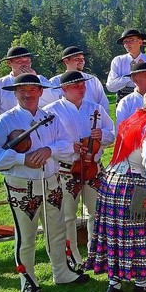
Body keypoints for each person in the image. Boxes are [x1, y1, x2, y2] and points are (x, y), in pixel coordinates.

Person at [0, 73, 89, 292]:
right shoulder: (4, 121)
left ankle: (61, 272)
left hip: (52, 182)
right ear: (16, 93)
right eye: (22, 90)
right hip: (23, 186)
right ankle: (27, 280)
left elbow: (66, 144)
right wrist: (22, 159)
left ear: (40, 92)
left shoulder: (50, 117)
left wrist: (48, 150)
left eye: (32, 90)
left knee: (57, 230)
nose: (28, 94)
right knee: (27, 236)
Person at [87, 87, 146, 292]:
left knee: (116, 233)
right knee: (140, 233)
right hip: (133, 183)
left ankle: (114, 283)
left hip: (112, 182)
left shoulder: (130, 120)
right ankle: (142, 282)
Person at [42, 71, 115, 269]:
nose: (81, 88)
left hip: (94, 168)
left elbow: (112, 134)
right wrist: (68, 146)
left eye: (83, 85)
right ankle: (72, 255)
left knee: (97, 212)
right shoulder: (51, 111)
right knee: (68, 216)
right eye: (76, 86)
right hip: (67, 169)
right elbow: (47, 141)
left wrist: (103, 135)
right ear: (64, 89)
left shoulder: (96, 108)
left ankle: (96, 252)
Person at [0, 47, 58, 205]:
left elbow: (54, 100)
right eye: (19, 60)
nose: (24, 63)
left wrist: (34, 78)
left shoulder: (40, 79)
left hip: (42, 135)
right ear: (9, 63)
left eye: (27, 59)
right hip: (13, 139)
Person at [50, 46, 110, 113]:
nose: (82, 61)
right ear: (66, 61)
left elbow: (103, 104)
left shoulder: (93, 80)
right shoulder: (55, 82)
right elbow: (52, 107)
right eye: (77, 59)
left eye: (82, 58)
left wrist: (101, 120)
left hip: (93, 119)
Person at [106, 28, 146, 101]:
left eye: (131, 40)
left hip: (145, 99)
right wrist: (133, 76)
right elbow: (111, 86)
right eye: (125, 41)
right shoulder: (118, 61)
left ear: (140, 42)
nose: (128, 44)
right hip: (123, 101)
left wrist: (123, 81)